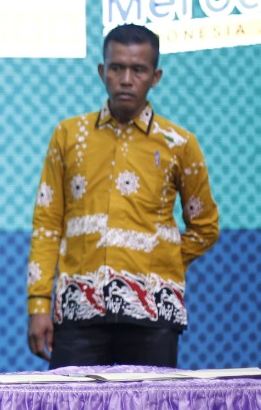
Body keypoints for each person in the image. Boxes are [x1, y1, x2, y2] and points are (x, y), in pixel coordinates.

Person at [26, 23, 220, 368]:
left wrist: (161, 259)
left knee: (150, 406)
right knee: (71, 404)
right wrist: (38, 304)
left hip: (153, 310)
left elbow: (205, 226)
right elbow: (47, 224)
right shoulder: (68, 135)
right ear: (102, 71)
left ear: (155, 77)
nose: (126, 79)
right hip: (78, 309)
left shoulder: (179, 143)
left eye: (138, 70)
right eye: (117, 68)